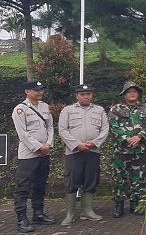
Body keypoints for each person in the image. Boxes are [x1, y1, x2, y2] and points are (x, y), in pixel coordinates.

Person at [58, 84, 109, 225]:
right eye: (82, 94)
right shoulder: (68, 110)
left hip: (93, 151)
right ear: (77, 95)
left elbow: (105, 129)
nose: (86, 96)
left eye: (88, 94)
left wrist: (94, 143)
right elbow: (63, 130)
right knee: (72, 181)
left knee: (90, 180)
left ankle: (87, 211)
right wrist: (77, 145)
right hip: (74, 152)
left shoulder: (99, 110)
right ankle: (70, 214)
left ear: (92, 95)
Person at [12, 80, 56, 233]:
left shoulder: (44, 107)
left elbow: (50, 126)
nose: (39, 92)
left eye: (41, 90)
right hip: (28, 155)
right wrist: (38, 147)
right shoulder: (20, 110)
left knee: (39, 185)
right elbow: (22, 134)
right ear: (27, 91)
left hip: (44, 153)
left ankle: (38, 214)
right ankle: (22, 219)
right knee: (22, 188)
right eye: (36, 90)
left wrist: (48, 144)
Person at [109, 81, 146, 218]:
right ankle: (119, 205)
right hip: (121, 150)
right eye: (129, 92)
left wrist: (139, 136)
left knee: (138, 177)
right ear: (124, 94)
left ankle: (135, 203)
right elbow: (113, 126)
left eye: (134, 91)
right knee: (119, 177)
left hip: (139, 149)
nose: (132, 94)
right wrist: (127, 137)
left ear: (138, 93)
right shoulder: (116, 109)